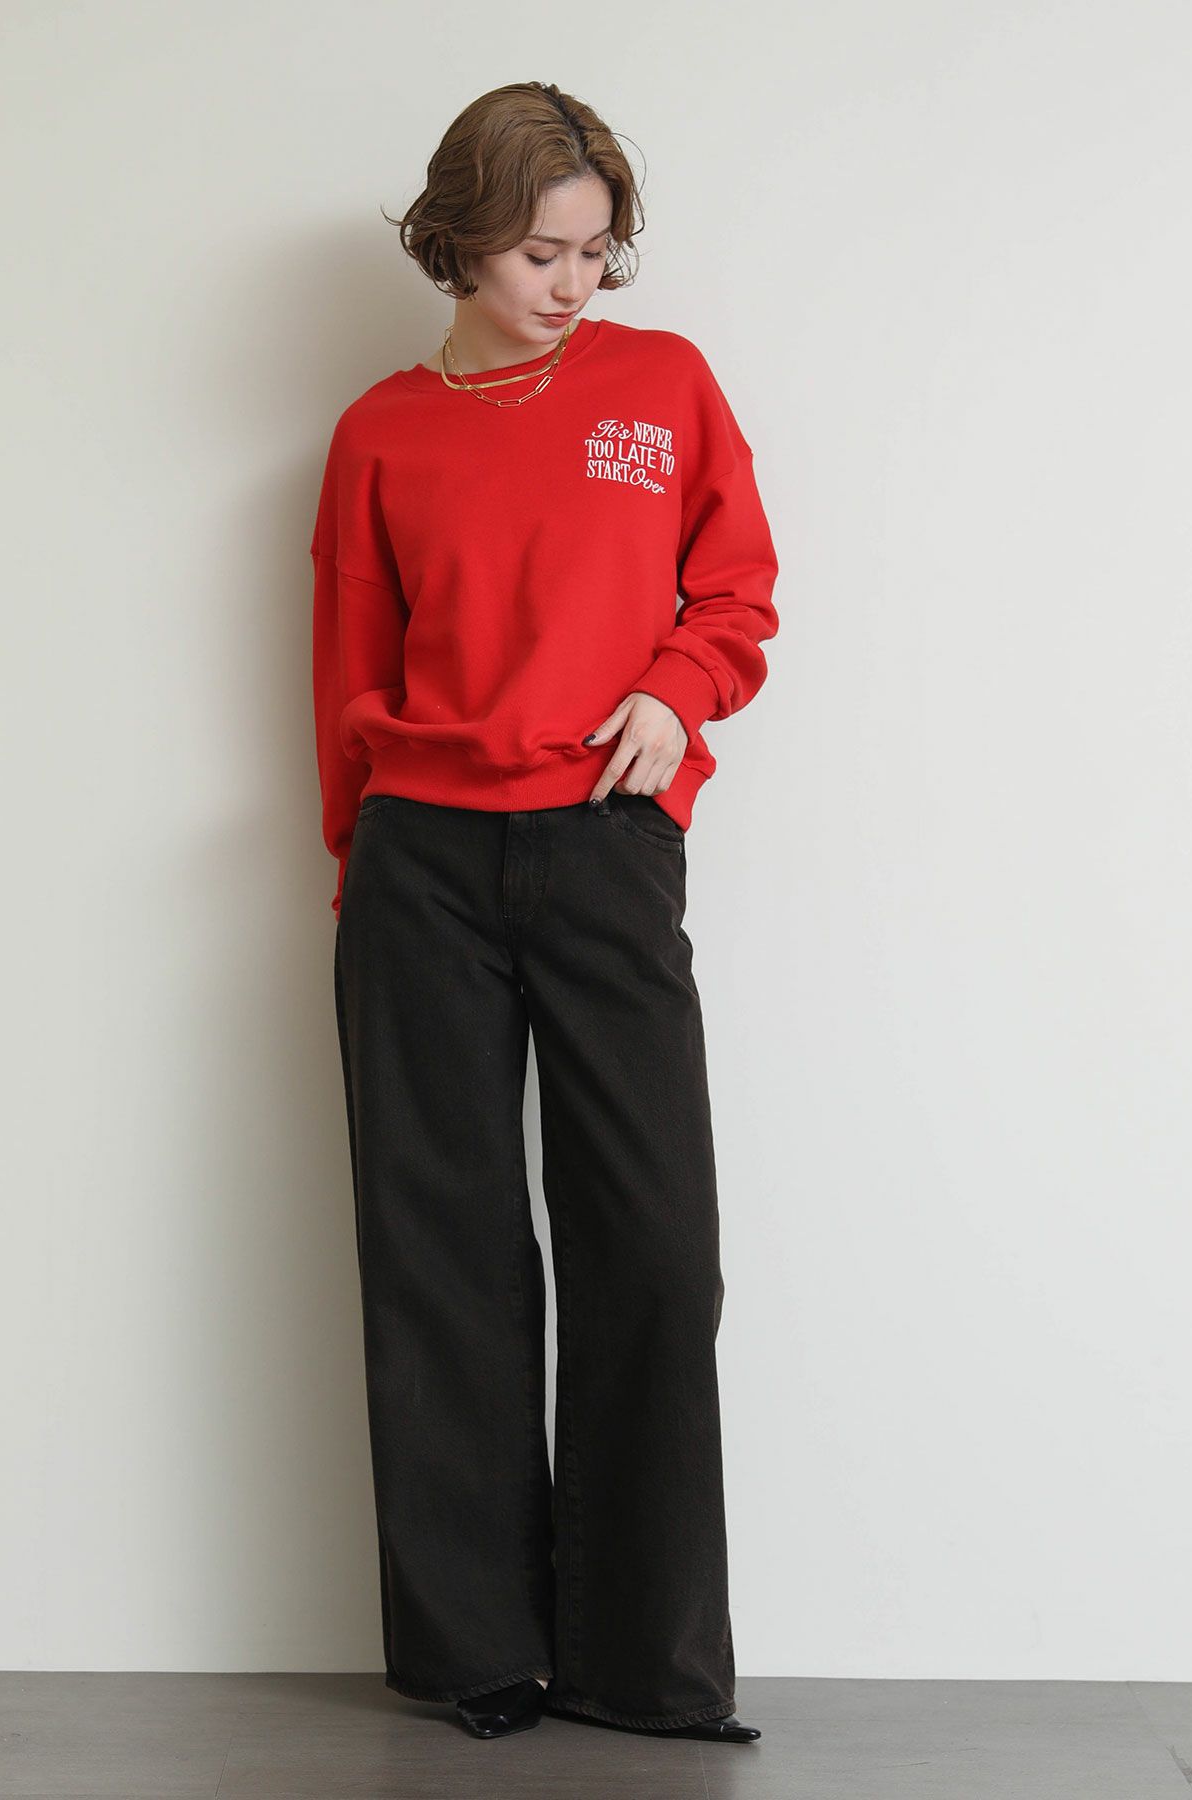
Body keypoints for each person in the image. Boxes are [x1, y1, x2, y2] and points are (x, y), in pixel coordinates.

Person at [310, 81, 779, 1747]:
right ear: (459, 240)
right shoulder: (380, 431)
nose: (573, 284)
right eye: (538, 254)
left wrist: (678, 689)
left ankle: (644, 1665)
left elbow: (736, 584)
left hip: (603, 841)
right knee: (439, 1250)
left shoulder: (663, 386)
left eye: (594, 251)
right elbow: (348, 671)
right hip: (422, 861)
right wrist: (357, 865)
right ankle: (477, 1650)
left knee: (652, 1245)